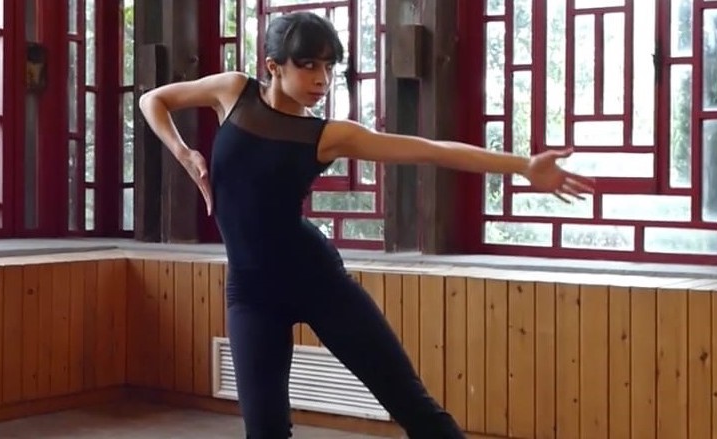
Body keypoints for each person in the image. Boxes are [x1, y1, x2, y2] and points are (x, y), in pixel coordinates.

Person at [138, 11, 594, 439]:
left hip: (318, 283)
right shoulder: (233, 91)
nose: (322, 79)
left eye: (329, 66)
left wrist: (523, 165)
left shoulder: (328, 135)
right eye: (308, 65)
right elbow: (153, 100)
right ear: (273, 66)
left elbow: (431, 150)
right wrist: (185, 154)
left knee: (412, 406)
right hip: (251, 293)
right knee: (265, 431)